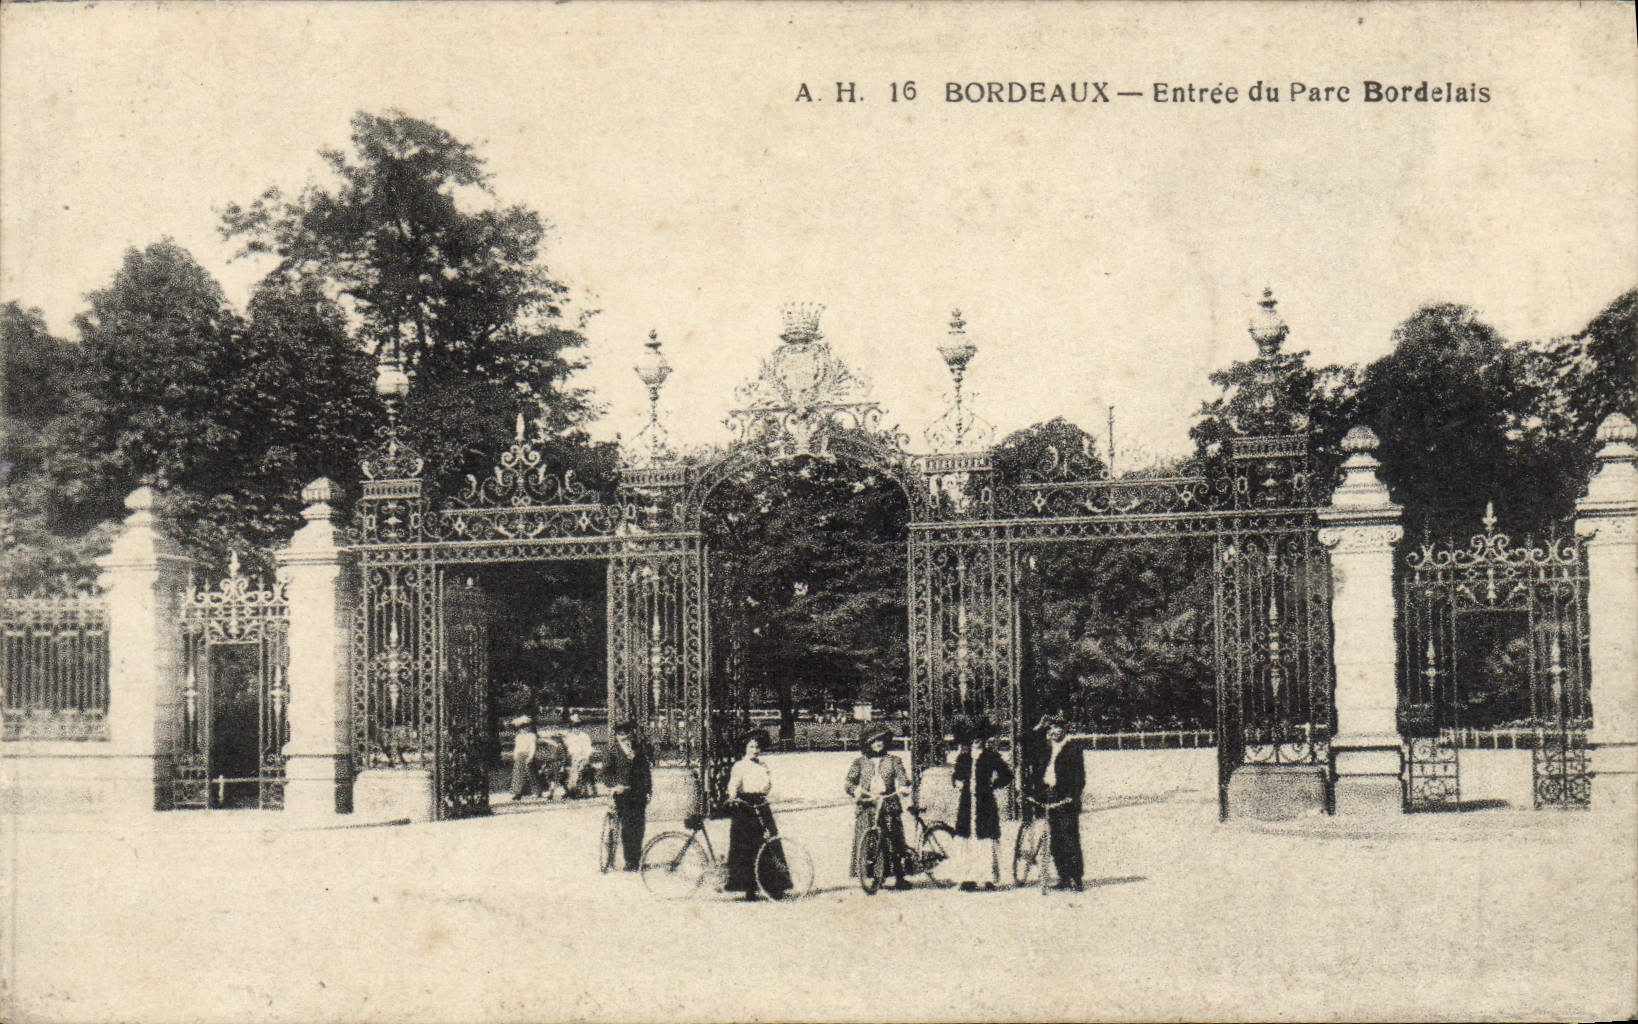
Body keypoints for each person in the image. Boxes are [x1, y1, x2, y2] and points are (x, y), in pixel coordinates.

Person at [845, 722, 914, 890]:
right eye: (874, 741)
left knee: (893, 840)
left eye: (881, 740)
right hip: (867, 806)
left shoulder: (893, 761)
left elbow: (903, 778)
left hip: (888, 804)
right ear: (867, 744)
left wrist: (904, 787)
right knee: (870, 842)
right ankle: (876, 876)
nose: (878, 744)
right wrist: (857, 791)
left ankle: (899, 877)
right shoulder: (859, 763)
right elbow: (849, 783)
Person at [951, 716, 1013, 891]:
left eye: (979, 738)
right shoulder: (963, 758)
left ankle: (987, 878)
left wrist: (994, 785)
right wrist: (957, 782)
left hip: (985, 803)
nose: (976, 741)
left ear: (984, 739)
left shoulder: (991, 757)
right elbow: (956, 776)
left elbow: (1007, 775)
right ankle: (968, 878)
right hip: (966, 803)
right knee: (966, 839)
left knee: (985, 839)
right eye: (972, 738)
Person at [1029, 713, 1089, 891]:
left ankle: (1076, 878)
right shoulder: (1045, 748)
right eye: (1052, 728)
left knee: (1069, 838)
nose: (1055, 732)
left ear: (1065, 730)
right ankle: (1063, 877)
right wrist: (1039, 727)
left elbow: (1080, 776)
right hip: (1049, 794)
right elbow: (1026, 741)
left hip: (1066, 797)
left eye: (1059, 728)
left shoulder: (1073, 748)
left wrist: (1073, 795)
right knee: (1054, 839)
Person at [725, 728, 787, 900]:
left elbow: (767, 785)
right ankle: (748, 888)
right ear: (745, 748)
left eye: (757, 747)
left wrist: (766, 789)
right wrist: (732, 796)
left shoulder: (763, 766)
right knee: (747, 847)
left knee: (769, 843)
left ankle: (774, 885)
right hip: (745, 808)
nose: (754, 750)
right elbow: (733, 784)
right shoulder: (740, 766)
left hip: (761, 805)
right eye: (751, 747)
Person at [602, 721, 651, 870]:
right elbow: (605, 774)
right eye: (621, 734)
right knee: (628, 828)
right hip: (623, 795)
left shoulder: (638, 750)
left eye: (627, 733)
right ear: (616, 736)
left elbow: (646, 772)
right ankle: (630, 862)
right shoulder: (612, 751)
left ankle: (636, 858)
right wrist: (615, 785)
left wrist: (649, 790)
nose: (624, 737)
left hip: (639, 793)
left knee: (639, 827)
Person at [508, 715, 539, 801]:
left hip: (528, 755)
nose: (523, 729)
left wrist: (531, 756)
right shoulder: (518, 737)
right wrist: (515, 755)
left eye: (525, 726)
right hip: (520, 756)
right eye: (521, 727)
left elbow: (533, 746)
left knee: (530, 773)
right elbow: (517, 747)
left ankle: (535, 791)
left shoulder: (531, 736)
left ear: (528, 727)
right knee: (518, 774)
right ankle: (517, 792)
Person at [562, 714, 594, 797]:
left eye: (577, 726)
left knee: (579, 768)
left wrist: (586, 759)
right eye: (573, 726)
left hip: (582, 757)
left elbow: (588, 750)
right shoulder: (569, 736)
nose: (576, 728)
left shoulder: (584, 736)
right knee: (567, 769)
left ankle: (577, 791)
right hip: (571, 758)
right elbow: (567, 750)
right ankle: (571, 790)